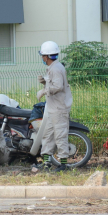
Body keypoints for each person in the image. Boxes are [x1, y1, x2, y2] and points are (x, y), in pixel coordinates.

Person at [35, 41, 73, 172]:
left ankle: (63, 165)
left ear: (46, 56)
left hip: (59, 108)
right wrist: (45, 82)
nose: (42, 58)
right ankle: (46, 163)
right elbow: (55, 84)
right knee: (48, 135)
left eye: (43, 56)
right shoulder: (54, 67)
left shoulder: (56, 69)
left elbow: (58, 86)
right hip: (53, 108)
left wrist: (44, 90)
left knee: (60, 136)